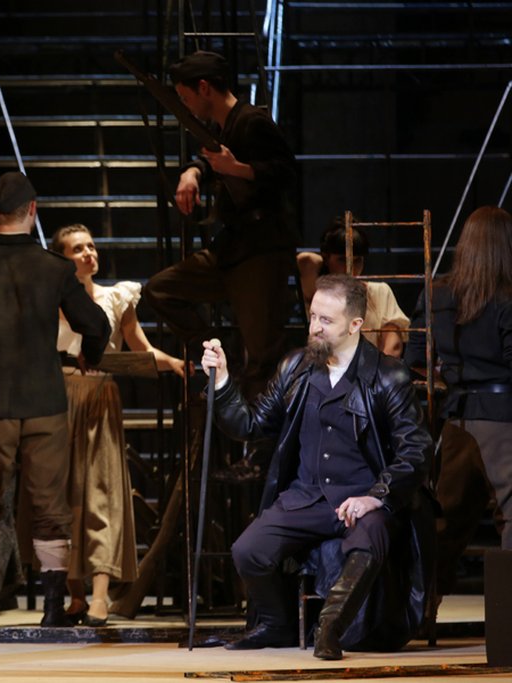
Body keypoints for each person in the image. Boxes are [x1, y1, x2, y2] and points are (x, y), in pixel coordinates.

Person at [200, 274, 433, 659]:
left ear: (355, 325)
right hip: (306, 497)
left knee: (369, 538)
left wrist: (376, 497)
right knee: (248, 550)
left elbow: (416, 449)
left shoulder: (387, 376)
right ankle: (277, 624)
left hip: (361, 497)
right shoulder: (296, 367)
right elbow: (252, 426)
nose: (314, 327)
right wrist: (223, 380)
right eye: (312, 316)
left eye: (326, 320)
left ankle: (330, 628)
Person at [0, 172, 111, 627]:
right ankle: (53, 609)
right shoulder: (55, 268)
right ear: (32, 211)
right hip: (44, 402)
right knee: (50, 507)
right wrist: (90, 357)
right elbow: (95, 324)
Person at [143, 50, 299, 399]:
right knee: (161, 289)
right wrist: (192, 172)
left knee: (263, 358)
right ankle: (218, 351)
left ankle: (263, 432)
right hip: (232, 247)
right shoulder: (222, 126)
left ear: (204, 88)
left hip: (260, 250)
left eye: (185, 96)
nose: (185, 105)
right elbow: (210, 159)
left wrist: (238, 169)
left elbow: (287, 172)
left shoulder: (252, 121)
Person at [51, 224, 184, 626]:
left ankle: (99, 595)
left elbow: (141, 348)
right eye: (78, 249)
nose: (89, 253)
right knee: (64, 496)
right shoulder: (49, 299)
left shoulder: (116, 297)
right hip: (58, 398)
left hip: (99, 397)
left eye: (91, 246)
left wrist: (174, 362)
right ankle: (75, 595)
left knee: (101, 493)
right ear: (62, 259)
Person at [405, 206, 512, 607]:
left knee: (447, 520)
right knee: (510, 516)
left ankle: (419, 609)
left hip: (457, 421)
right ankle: (507, 619)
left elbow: (414, 357)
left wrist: (447, 369)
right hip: (503, 419)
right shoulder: (507, 298)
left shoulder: (438, 293)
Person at [298, 221, 409, 357]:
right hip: (327, 366)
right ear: (326, 258)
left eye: (358, 260)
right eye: (342, 260)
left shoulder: (379, 291)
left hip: (372, 366)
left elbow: (393, 345)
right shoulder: (319, 292)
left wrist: (376, 369)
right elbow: (305, 260)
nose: (351, 267)